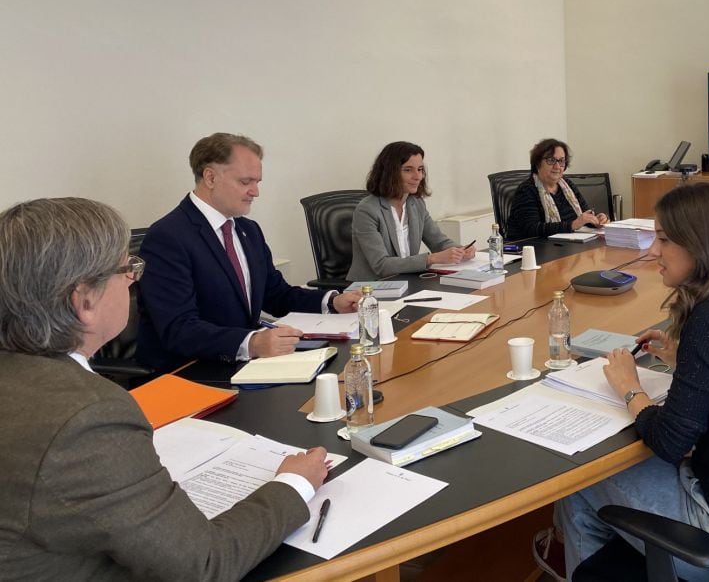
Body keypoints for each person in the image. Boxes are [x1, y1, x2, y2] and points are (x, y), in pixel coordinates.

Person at [0, 197, 329, 580]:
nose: (132, 280)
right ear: (85, 299)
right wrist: (294, 484)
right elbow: (204, 564)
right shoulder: (87, 417)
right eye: (127, 269)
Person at [536, 183, 709, 581]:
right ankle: (576, 557)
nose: (653, 252)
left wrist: (631, 388)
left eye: (664, 239)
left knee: (581, 478)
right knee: (589, 489)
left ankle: (576, 559)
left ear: (702, 244)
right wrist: (686, 359)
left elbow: (670, 441)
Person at [137, 133, 361, 371]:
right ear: (210, 177)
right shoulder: (168, 237)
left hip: (244, 365)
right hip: (191, 372)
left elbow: (275, 294)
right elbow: (178, 328)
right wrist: (251, 343)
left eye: (258, 182)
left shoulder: (247, 229)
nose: (255, 192)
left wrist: (333, 301)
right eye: (246, 182)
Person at [348, 141, 474, 279]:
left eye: (420, 169)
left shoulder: (416, 204)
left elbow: (439, 242)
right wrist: (430, 259)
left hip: (406, 281)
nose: (417, 176)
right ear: (390, 173)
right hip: (370, 289)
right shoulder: (367, 210)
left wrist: (461, 250)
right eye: (408, 170)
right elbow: (381, 265)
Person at [507, 138, 609, 240]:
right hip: (534, 249)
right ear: (538, 163)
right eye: (551, 160)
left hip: (566, 245)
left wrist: (597, 220)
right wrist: (572, 225)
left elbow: (585, 215)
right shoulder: (526, 190)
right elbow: (532, 229)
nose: (557, 166)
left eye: (561, 161)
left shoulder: (568, 185)